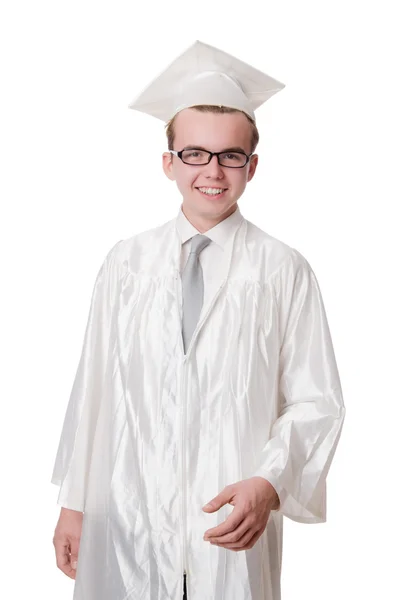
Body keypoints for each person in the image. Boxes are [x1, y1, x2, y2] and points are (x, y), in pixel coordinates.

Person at [51, 40, 346, 600]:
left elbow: (318, 399)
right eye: (194, 154)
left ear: (251, 165)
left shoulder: (282, 270)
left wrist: (270, 481)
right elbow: (93, 389)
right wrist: (74, 502)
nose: (212, 170)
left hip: (229, 523)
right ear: (168, 162)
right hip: (128, 519)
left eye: (230, 155)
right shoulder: (126, 264)